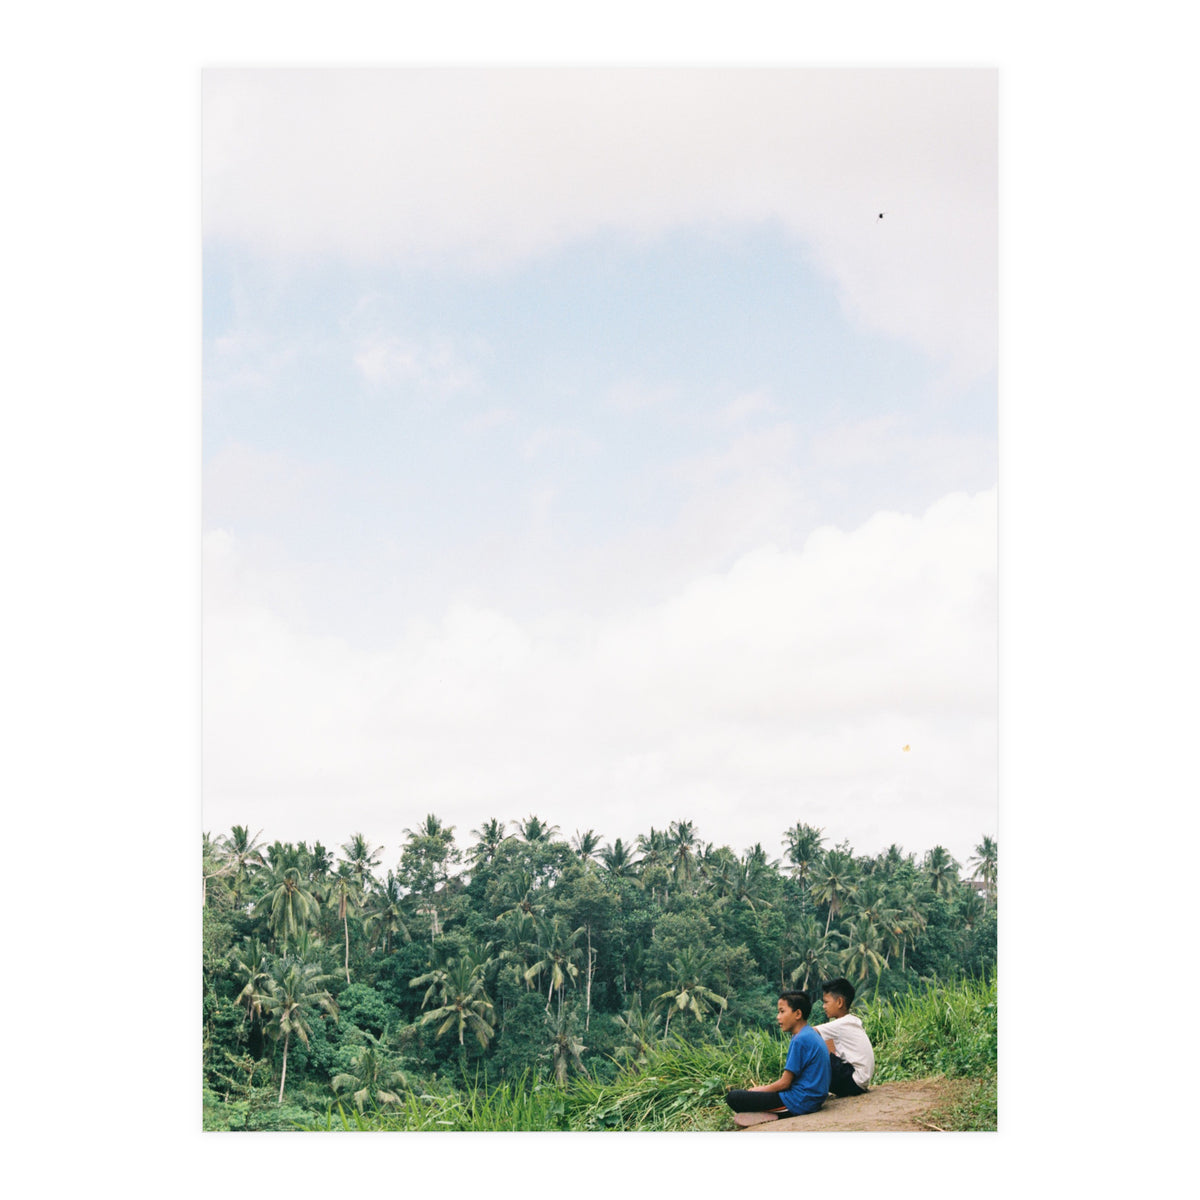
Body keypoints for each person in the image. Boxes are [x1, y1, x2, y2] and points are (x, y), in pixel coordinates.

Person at [725, 991, 831, 1117]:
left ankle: (771, 1114)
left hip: (801, 1101)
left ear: (798, 1014)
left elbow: (785, 1083)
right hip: (814, 1099)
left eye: (782, 1011)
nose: (778, 1017)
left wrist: (760, 1090)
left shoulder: (800, 1039)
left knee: (734, 1097)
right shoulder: (809, 1033)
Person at [816, 977, 875, 1096]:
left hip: (853, 1081)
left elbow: (807, 1034)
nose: (823, 1006)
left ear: (839, 1002)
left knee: (812, 1050)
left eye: (826, 1002)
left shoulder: (840, 1024)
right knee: (823, 1044)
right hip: (858, 1081)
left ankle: (803, 1091)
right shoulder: (851, 1021)